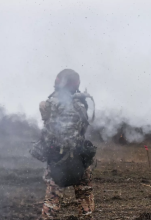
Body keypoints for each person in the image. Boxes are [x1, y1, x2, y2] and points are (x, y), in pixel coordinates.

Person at [34, 69, 96, 220]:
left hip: (57, 157)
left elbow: (46, 119)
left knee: (52, 202)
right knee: (85, 196)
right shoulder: (80, 105)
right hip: (78, 158)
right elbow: (84, 125)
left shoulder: (47, 104)